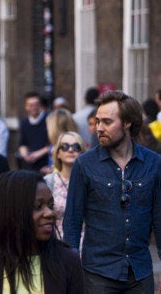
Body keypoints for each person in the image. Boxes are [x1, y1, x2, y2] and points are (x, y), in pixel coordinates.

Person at [64, 90, 161, 293]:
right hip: (98, 274)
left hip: (140, 272)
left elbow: (159, 219)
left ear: (127, 123)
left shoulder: (153, 163)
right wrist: (70, 272)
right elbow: (72, 222)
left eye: (107, 122)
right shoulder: (84, 164)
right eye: (97, 121)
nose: (99, 128)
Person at [0, 170, 84, 293]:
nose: (49, 213)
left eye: (50, 205)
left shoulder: (68, 261)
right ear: (11, 211)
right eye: (37, 206)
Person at [43, 132, 86, 240]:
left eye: (76, 147)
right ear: (57, 153)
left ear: (82, 152)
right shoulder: (48, 182)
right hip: (54, 245)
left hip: (85, 247)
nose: (70, 150)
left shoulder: (91, 182)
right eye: (65, 146)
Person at [18, 92, 50, 172]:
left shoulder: (49, 120)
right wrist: (24, 154)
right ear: (26, 106)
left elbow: (54, 143)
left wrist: (38, 153)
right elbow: (22, 144)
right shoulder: (24, 123)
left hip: (46, 164)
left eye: (36, 104)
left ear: (40, 105)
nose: (34, 107)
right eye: (30, 105)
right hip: (30, 165)